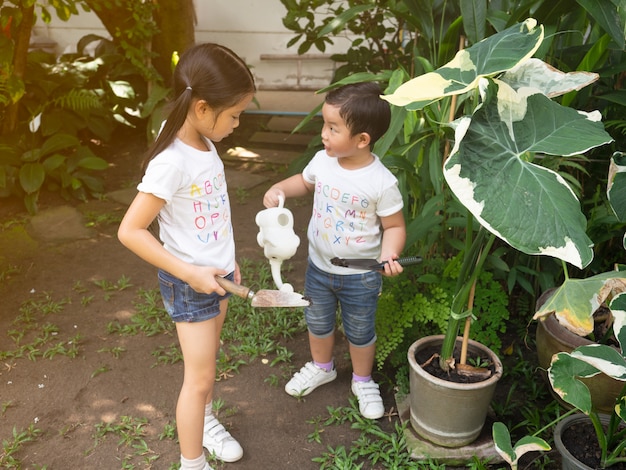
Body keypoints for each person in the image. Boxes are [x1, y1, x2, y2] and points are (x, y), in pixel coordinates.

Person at [118, 43, 255, 470]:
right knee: (198, 380)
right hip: (191, 283)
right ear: (200, 107)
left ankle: (206, 422)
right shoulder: (172, 161)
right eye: (234, 115)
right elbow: (130, 231)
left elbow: (209, 212)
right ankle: (191, 463)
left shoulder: (199, 137)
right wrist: (189, 273)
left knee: (208, 367)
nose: (238, 123)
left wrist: (227, 260)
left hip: (218, 276)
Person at [262, 82, 406, 420]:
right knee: (318, 322)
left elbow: (395, 227)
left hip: (361, 276)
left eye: (332, 127)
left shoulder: (380, 182)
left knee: (360, 330)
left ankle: (362, 379)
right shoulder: (323, 162)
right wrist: (280, 187)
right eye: (324, 125)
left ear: (362, 140)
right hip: (318, 268)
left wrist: (389, 254)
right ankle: (322, 366)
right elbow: (305, 181)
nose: (324, 134)